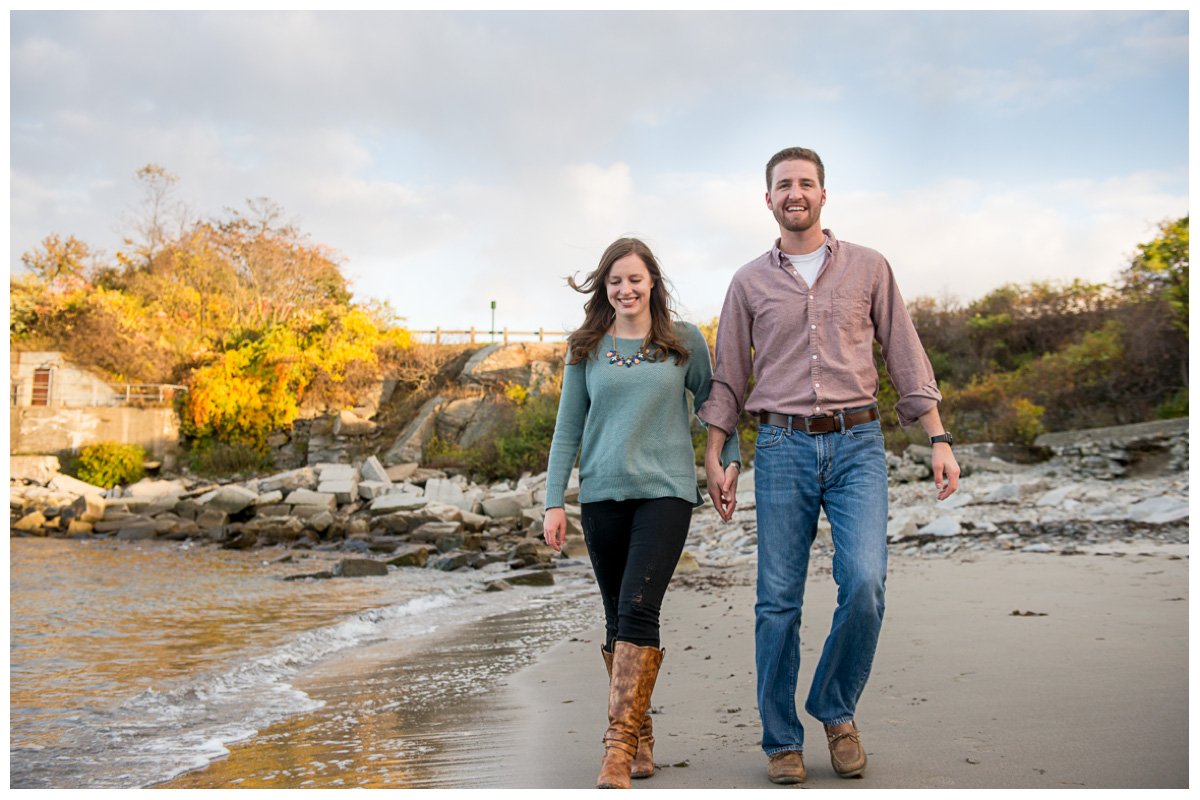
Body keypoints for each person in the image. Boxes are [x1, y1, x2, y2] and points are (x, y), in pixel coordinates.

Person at [698, 147, 960, 785]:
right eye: (783, 184)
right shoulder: (746, 283)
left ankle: (835, 710)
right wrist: (715, 453)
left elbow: (904, 351)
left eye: (806, 183)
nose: (795, 193)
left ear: (823, 194)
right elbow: (730, 376)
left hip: (859, 443)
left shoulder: (870, 267)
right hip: (782, 447)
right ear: (768, 200)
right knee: (777, 602)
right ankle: (781, 741)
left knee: (865, 582)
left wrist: (938, 435)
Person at [543, 237, 740, 789]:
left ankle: (617, 747)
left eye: (634, 279)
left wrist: (729, 461)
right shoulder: (585, 347)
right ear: (604, 289)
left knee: (637, 608)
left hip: (667, 493)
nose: (625, 289)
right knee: (615, 619)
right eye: (615, 282)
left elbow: (717, 405)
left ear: (653, 280)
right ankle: (642, 735)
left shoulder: (685, 342)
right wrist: (554, 500)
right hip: (603, 494)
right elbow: (568, 428)